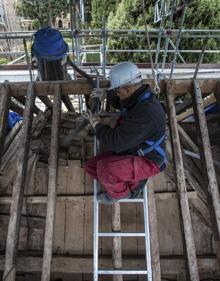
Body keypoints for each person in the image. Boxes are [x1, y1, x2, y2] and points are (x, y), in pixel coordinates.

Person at [83, 62, 166, 204]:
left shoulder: (146, 113)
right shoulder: (139, 95)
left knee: (104, 169)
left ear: (128, 88)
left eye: (117, 91)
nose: (116, 94)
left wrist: (97, 124)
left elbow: (115, 143)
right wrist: (106, 94)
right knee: (91, 167)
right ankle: (127, 179)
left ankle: (126, 193)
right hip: (134, 147)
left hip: (148, 159)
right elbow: (123, 101)